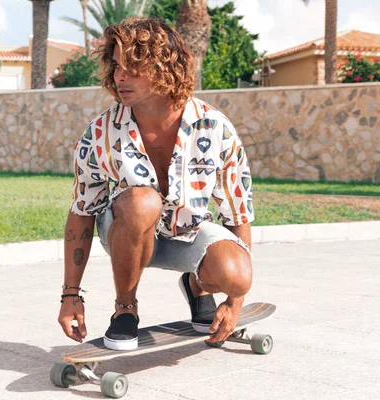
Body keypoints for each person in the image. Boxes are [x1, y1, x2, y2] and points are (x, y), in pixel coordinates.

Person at [58, 17, 254, 351]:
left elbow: (237, 211)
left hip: (186, 232)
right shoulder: (101, 133)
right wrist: (70, 295)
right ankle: (125, 310)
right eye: (117, 66)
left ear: (165, 67)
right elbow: (82, 212)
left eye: (133, 67)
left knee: (237, 275)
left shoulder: (213, 127)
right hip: (125, 232)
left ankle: (197, 287)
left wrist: (235, 301)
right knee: (142, 201)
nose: (121, 76)